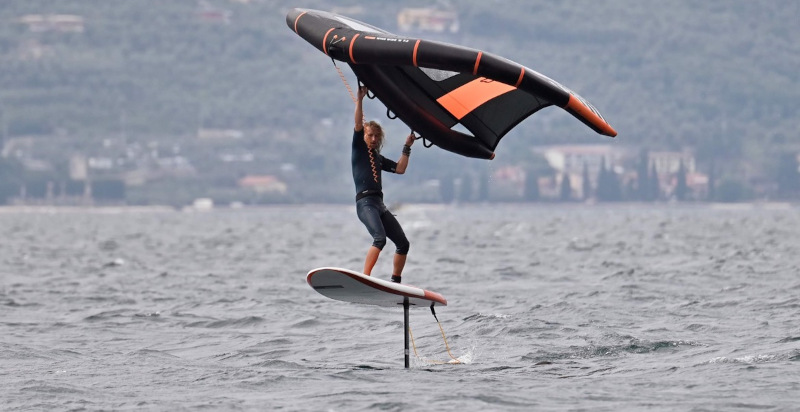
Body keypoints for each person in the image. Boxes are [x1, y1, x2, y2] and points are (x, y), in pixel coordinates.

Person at [352, 86, 415, 283]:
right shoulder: (358, 148)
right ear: (364, 136)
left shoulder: (378, 158)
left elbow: (400, 169)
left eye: (376, 136)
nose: (373, 139)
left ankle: (396, 282)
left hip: (379, 205)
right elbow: (358, 123)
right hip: (365, 204)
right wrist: (360, 99)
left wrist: (407, 147)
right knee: (380, 239)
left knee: (403, 244)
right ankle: (365, 278)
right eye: (370, 135)